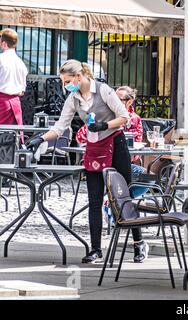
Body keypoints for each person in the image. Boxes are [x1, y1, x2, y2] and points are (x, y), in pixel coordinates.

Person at [26, 59, 148, 264]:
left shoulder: (103, 90)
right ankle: (96, 249)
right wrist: (41, 138)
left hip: (116, 144)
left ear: (78, 76)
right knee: (94, 200)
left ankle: (138, 243)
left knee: (123, 196)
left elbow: (124, 116)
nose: (66, 86)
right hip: (94, 148)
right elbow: (61, 126)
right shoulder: (73, 98)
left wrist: (103, 125)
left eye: (67, 81)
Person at [0, 28, 28, 127]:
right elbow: (22, 91)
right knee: (14, 137)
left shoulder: (1, 59)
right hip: (15, 103)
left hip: (1, 102)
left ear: (4, 43)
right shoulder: (21, 63)